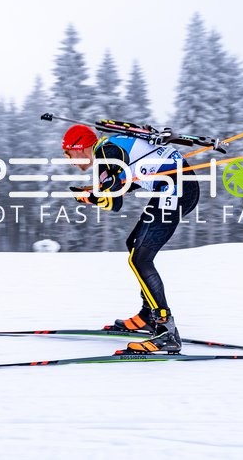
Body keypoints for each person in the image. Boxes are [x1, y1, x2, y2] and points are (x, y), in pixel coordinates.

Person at [61, 124, 200, 353]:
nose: (70, 161)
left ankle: (166, 329)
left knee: (140, 259)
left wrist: (88, 197)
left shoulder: (104, 152)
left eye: (69, 155)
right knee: (134, 245)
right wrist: (100, 190)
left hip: (176, 190)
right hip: (174, 187)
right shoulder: (111, 148)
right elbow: (127, 181)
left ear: (80, 147)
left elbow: (113, 203)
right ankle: (149, 316)